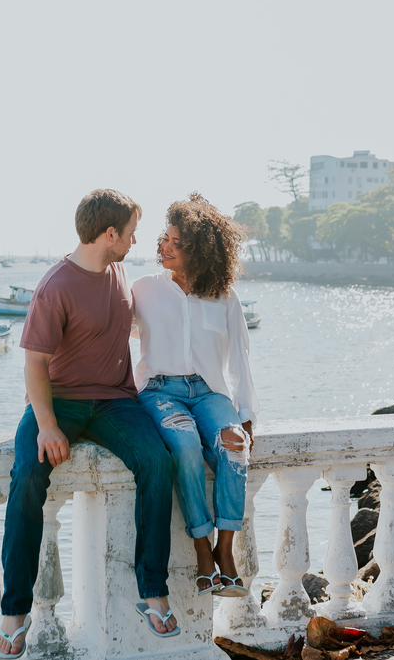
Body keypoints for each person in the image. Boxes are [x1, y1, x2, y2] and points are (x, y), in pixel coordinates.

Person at [0, 189, 179, 659]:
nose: (136, 240)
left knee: (157, 462)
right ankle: (14, 612)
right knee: (28, 477)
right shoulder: (55, 285)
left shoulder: (118, 271)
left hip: (116, 401)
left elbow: (138, 323)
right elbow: (35, 363)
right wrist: (48, 426)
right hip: (60, 402)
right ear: (109, 233)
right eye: (132, 232)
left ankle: (152, 590)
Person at [131, 193, 259, 599]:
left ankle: (226, 550)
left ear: (200, 250)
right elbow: (107, 326)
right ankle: (202, 549)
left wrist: (246, 414)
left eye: (176, 242)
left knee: (235, 447)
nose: (164, 246)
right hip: (160, 392)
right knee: (184, 445)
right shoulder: (144, 289)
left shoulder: (224, 297)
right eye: (164, 238)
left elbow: (240, 357)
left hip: (209, 392)